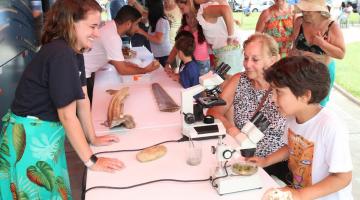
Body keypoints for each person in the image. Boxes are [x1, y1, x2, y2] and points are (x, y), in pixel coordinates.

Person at [0, 0, 124, 199]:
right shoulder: (60, 54)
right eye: (92, 26)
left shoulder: (74, 51)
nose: (98, 33)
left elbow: (82, 98)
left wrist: (92, 138)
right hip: (29, 139)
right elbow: (67, 116)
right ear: (70, 23)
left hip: (44, 138)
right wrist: (92, 161)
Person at [252, 56, 353, 200]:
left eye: (278, 92)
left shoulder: (331, 126)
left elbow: (343, 177)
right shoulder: (292, 117)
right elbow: (291, 147)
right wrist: (266, 161)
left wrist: (300, 194)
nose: (272, 98)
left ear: (305, 95)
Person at [207, 33, 288, 181]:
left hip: (275, 166)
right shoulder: (239, 80)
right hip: (241, 159)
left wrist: (266, 161)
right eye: (246, 58)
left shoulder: (285, 88)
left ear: (273, 60)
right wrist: (231, 128)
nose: (247, 64)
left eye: (255, 59)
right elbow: (213, 111)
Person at [84, 5, 160, 102]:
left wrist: (126, 64)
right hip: (82, 72)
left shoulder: (109, 25)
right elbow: (122, 70)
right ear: (128, 23)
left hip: (83, 68)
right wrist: (145, 70)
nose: (137, 29)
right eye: (136, 24)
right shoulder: (113, 37)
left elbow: (110, 57)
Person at [290, 0, 345, 107]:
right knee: (300, 104)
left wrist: (322, 44)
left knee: (317, 107)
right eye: (304, 9)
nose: (305, 12)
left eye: (309, 10)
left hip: (322, 74)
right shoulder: (299, 21)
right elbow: (294, 47)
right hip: (301, 72)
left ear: (319, 10)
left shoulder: (332, 26)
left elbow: (341, 54)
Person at [193, 0, 243, 75]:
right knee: (229, 81)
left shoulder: (208, 8)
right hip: (229, 53)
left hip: (227, 55)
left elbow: (226, 10)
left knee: (225, 83)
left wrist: (231, 36)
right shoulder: (214, 5)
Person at [165, 0, 210, 75]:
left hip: (202, 64)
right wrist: (168, 63)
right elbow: (176, 47)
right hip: (187, 63)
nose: (191, 21)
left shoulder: (204, 28)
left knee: (200, 86)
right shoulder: (184, 29)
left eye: (194, 17)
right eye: (188, 17)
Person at [132, 0, 172, 67]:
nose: (148, 11)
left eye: (149, 9)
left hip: (164, 56)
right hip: (158, 55)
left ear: (154, 10)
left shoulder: (161, 21)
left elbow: (158, 40)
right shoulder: (155, 20)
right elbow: (144, 14)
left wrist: (142, 32)